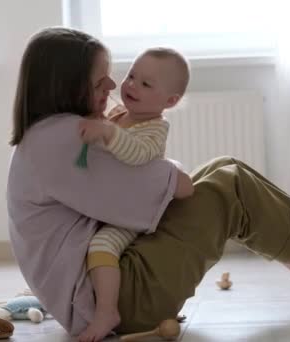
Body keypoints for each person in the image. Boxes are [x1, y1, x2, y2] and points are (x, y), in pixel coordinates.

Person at [7, 27, 290, 342]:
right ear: (65, 85)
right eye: (99, 80)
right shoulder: (62, 137)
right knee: (233, 184)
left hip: (108, 285)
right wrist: (172, 169)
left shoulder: (47, 135)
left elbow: (139, 185)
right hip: (120, 298)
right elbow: (174, 187)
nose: (112, 84)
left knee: (224, 169)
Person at [74, 47, 192, 341]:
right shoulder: (119, 114)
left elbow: (137, 154)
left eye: (146, 84)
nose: (130, 85)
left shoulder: (155, 128)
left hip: (132, 213)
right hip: (113, 204)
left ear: (170, 101)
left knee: (101, 245)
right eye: (131, 76)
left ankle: (106, 312)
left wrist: (107, 132)